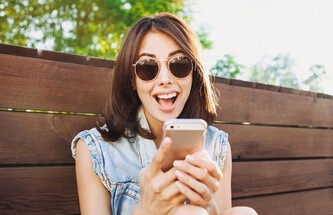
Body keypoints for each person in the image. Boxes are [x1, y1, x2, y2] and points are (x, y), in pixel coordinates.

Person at [71, 12, 257, 215]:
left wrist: (207, 205)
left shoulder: (216, 145)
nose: (165, 79)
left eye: (179, 64)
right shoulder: (94, 149)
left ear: (193, 74)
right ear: (132, 80)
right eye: (147, 68)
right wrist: (146, 210)